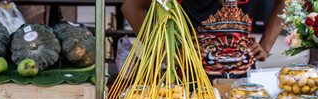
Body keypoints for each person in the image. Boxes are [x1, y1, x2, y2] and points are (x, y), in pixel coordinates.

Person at [121, 0, 285, 64]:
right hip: (194, 77)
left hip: (243, 75)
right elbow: (131, 8)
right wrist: (167, 52)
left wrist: (266, 45)